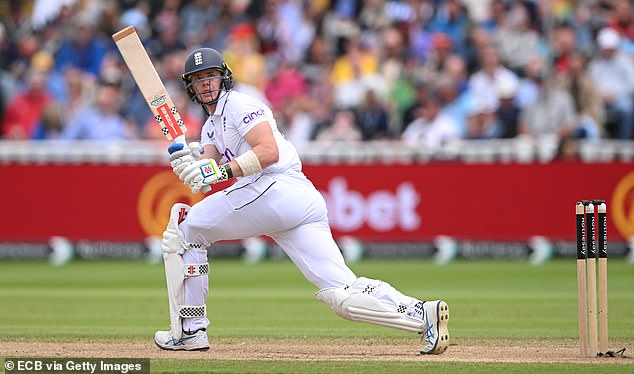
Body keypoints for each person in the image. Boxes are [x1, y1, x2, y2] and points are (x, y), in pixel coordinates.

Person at [153, 48, 450, 354]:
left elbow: (268, 152)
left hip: (274, 188)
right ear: (191, 87)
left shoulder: (240, 104)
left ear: (224, 77)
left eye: (210, 76)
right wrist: (191, 166)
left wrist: (218, 170)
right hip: (296, 201)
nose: (205, 84)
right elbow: (210, 174)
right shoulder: (211, 127)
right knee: (342, 293)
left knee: (185, 230)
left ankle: (191, 331)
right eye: (198, 79)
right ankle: (422, 314)